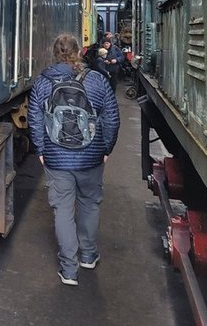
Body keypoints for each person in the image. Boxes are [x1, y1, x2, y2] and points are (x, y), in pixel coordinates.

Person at [28, 34, 120, 286]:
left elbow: (35, 120)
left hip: (57, 158)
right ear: (79, 52)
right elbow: (111, 118)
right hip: (91, 156)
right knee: (90, 204)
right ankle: (88, 256)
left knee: (63, 210)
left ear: (55, 53)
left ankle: (69, 270)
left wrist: (40, 149)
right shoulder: (97, 80)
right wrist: (106, 147)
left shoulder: (42, 83)